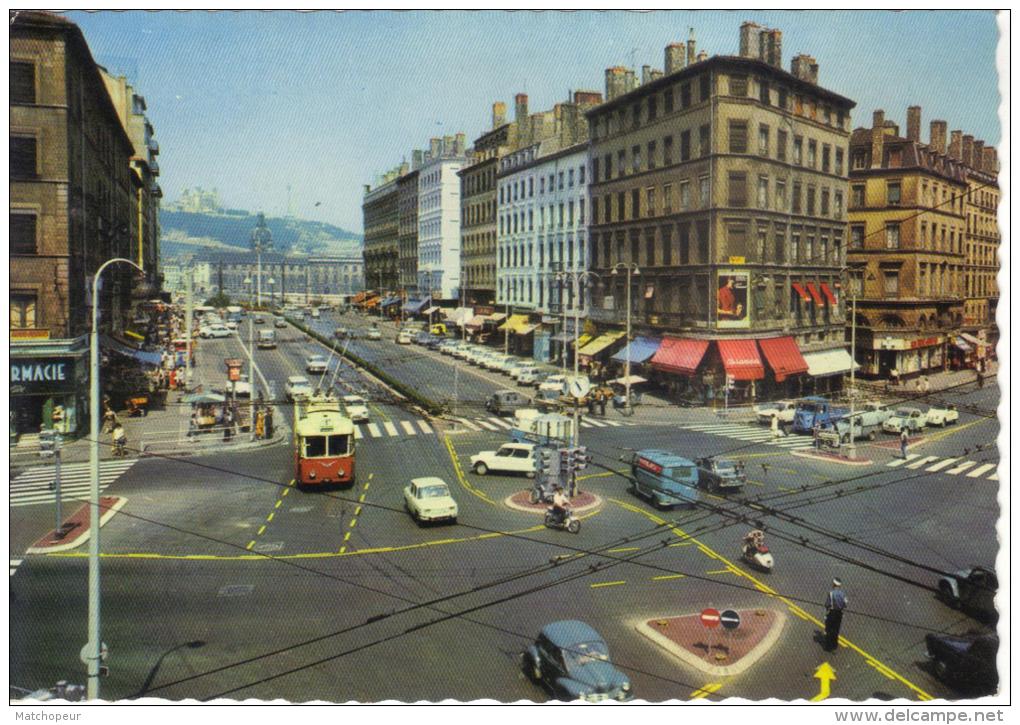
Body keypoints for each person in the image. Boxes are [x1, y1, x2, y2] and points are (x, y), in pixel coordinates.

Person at [824, 578, 848, 651]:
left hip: (832, 612)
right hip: (839, 613)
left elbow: (827, 604)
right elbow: (845, 604)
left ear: (834, 584)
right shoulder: (843, 594)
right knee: (836, 629)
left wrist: (827, 607)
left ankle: (828, 645)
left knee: (829, 628)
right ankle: (834, 645)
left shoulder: (831, 593)